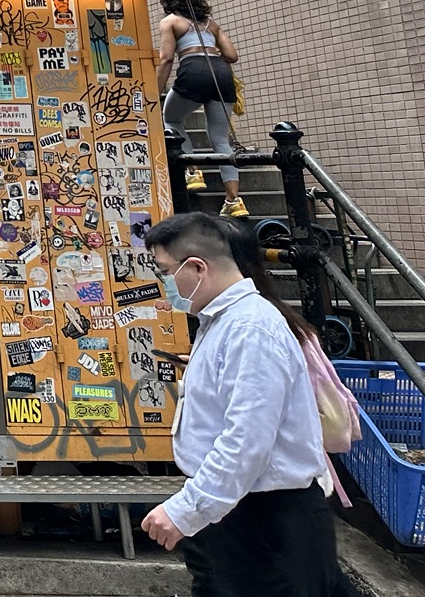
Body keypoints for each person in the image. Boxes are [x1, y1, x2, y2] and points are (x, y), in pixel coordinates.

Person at [139, 212, 343, 597]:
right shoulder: (226, 322)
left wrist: (185, 510)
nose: (164, 283)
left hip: (264, 518)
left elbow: (246, 441)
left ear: (197, 267)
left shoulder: (250, 328)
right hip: (243, 510)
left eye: (165, 271)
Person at [156, 0, 246, 217]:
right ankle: (234, 200)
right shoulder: (211, 24)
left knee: (172, 119)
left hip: (193, 71)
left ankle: (193, 172)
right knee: (220, 138)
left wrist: (156, 90)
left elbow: (166, 59)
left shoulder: (170, 22)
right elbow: (232, 56)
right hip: (221, 75)